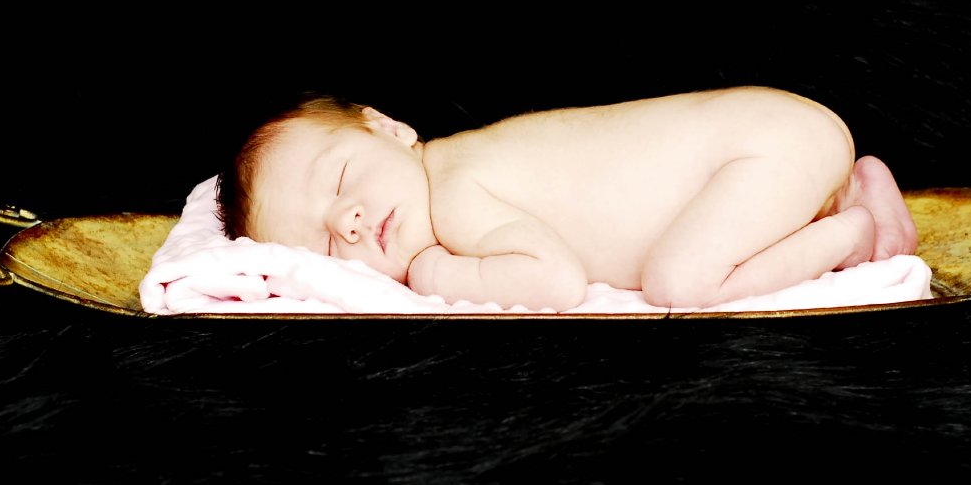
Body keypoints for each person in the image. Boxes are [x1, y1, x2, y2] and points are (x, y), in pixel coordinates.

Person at [216, 86, 919, 312]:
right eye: (324, 242)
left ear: (390, 128)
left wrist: (433, 273)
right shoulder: (462, 163)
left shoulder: (454, 189)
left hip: (763, 145)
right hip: (769, 134)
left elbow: (554, 281)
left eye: (342, 178)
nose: (348, 219)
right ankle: (842, 189)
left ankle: (851, 230)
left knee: (681, 282)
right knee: (702, 246)